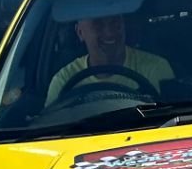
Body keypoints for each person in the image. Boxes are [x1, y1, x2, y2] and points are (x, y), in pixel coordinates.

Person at [45, 13, 173, 103]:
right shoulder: (63, 81)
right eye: (98, 25)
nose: (109, 32)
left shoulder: (156, 68)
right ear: (80, 32)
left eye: (115, 23)